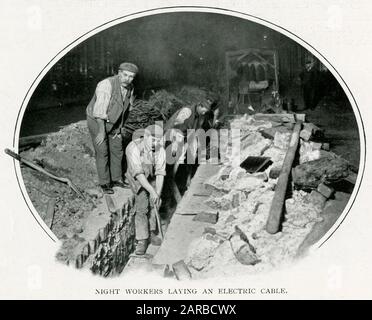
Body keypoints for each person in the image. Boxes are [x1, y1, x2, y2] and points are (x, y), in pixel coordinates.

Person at [86, 62, 138, 194]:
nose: (128, 79)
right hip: (97, 121)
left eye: (131, 76)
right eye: (125, 75)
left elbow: (124, 110)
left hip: (114, 122)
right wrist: (102, 132)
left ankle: (117, 179)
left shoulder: (130, 88)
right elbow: (99, 112)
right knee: (102, 151)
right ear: (119, 73)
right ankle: (105, 183)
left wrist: (119, 129)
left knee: (117, 149)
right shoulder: (106, 85)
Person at [125, 124, 166, 255]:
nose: (156, 143)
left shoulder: (160, 150)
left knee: (154, 204)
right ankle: (142, 239)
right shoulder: (133, 148)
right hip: (138, 178)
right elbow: (139, 175)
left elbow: (160, 173)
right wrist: (152, 191)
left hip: (151, 174)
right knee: (142, 207)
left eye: (159, 140)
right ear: (146, 136)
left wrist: (157, 194)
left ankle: (152, 232)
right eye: (153, 140)